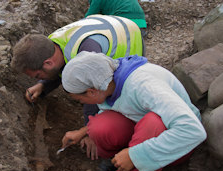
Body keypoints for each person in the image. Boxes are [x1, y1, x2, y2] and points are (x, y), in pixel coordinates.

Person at [60, 51, 207, 171]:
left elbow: (193, 131)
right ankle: (121, 164)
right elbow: (115, 110)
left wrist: (135, 156)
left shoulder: (143, 85)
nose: (82, 103)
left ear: (92, 92)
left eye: (80, 99)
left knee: (153, 122)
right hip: (143, 134)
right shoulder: (108, 82)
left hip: (176, 145)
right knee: (99, 127)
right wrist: (82, 132)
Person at [11, 14, 144, 125]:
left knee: (114, 104)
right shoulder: (51, 46)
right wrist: (42, 85)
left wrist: (89, 129)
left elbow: (93, 91)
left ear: (48, 63)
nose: (37, 78)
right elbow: (60, 68)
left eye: (38, 76)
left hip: (128, 35)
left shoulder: (87, 51)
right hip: (108, 24)